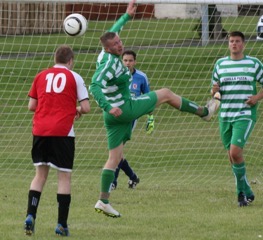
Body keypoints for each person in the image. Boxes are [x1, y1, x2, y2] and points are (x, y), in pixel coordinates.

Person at [90, 0, 219, 218]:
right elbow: (94, 84)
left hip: (114, 116)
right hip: (124, 109)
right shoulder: (109, 63)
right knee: (166, 93)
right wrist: (109, 106)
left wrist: (127, 16)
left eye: (120, 42)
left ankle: (103, 200)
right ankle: (205, 113)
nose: (120, 45)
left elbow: (113, 31)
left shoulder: (106, 51)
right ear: (108, 49)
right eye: (116, 45)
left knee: (114, 157)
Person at [24, 45, 90, 236]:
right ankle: (61, 224)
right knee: (64, 177)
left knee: (40, 176)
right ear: (70, 61)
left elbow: (31, 106)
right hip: (62, 132)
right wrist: (74, 110)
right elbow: (85, 108)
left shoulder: (40, 75)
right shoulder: (74, 77)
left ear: (55, 59)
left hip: (40, 131)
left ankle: (30, 215)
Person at [210, 31, 263, 207]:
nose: (234, 44)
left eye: (237, 41)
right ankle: (247, 189)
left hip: (245, 114)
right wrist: (215, 91)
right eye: (231, 41)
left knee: (235, 152)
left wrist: (256, 98)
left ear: (243, 44)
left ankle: (240, 194)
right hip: (225, 115)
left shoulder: (253, 63)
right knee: (232, 157)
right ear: (228, 44)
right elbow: (215, 90)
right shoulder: (220, 64)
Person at [111, 50, 154, 190]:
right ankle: (133, 177)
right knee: (117, 152)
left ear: (135, 61)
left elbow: (149, 98)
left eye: (130, 60)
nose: (127, 63)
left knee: (117, 150)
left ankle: (113, 182)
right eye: (125, 60)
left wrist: (150, 118)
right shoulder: (116, 76)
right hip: (116, 116)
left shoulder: (141, 77)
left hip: (131, 117)